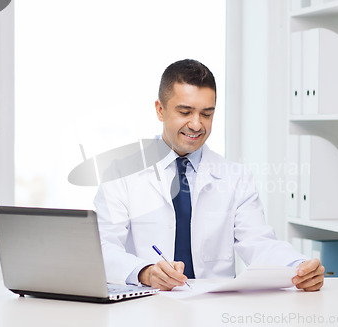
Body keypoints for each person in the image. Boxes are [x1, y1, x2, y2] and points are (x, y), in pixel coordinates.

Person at [94, 59, 324, 292]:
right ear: (160, 110)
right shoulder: (120, 173)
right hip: (146, 304)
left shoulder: (235, 177)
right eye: (185, 112)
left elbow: (258, 242)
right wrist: (145, 271)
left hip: (214, 307)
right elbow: (103, 247)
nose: (196, 124)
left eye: (207, 114)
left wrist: (300, 267)